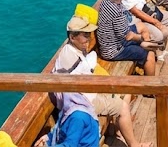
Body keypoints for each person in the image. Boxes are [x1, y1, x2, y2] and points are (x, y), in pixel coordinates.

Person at [51, 15, 151, 147]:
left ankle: (116, 129)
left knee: (125, 93)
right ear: (72, 37)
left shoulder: (74, 49)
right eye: (85, 35)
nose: (89, 38)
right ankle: (134, 144)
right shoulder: (69, 55)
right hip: (82, 101)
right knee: (123, 107)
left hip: (84, 94)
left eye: (89, 34)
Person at [97, 0, 158, 76]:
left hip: (114, 38)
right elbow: (128, 36)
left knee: (141, 26)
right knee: (149, 52)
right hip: (114, 50)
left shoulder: (106, 1)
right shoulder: (117, 12)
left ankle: (144, 58)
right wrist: (142, 39)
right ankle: (151, 89)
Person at [34, 93, 99, 147]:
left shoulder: (77, 117)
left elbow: (70, 145)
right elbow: (60, 131)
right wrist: (47, 138)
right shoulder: (69, 111)